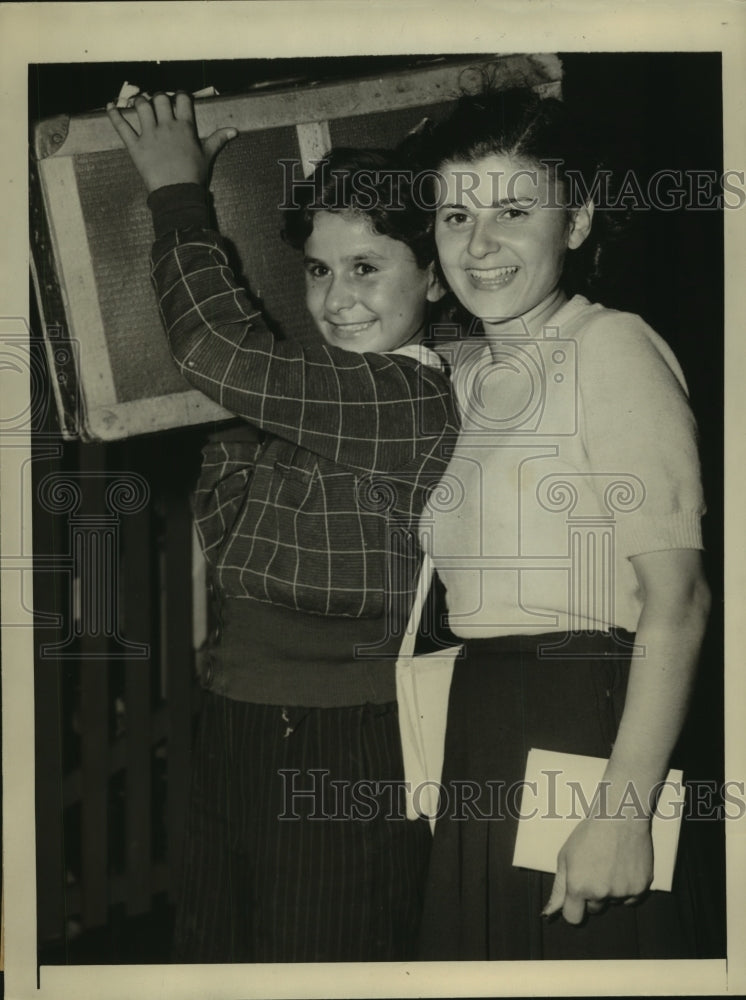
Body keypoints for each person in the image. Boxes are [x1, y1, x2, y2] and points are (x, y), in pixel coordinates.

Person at [107, 92, 459, 963]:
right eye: (316, 268)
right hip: (237, 715)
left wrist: (177, 194)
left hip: (346, 742)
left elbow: (219, 354)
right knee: (213, 961)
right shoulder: (313, 393)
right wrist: (239, 416)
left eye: (367, 267)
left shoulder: (413, 395)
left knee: (318, 967)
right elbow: (230, 550)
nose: (336, 299)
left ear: (437, 275)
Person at [409, 88, 711, 960]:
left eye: (514, 210)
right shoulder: (465, 379)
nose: (479, 243)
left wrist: (623, 811)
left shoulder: (610, 346)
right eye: (455, 214)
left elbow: (680, 600)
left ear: (575, 223)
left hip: (584, 722)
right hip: (482, 723)